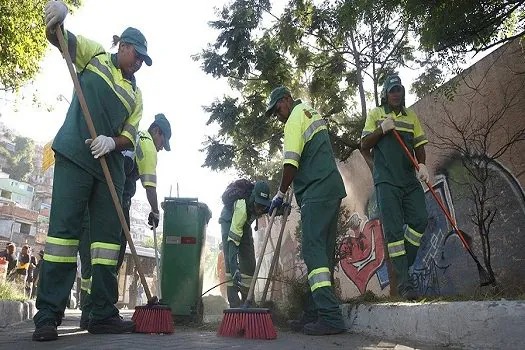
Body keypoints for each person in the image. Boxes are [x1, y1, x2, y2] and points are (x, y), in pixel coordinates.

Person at [34, 1, 151, 341]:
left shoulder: (136, 93)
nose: (140, 62)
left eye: (144, 59)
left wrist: (112, 143)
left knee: (105, 245)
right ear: (123, 47)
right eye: (137, 55)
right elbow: (62, 40)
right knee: (62, 236)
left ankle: (100, 312)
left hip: (110, 170)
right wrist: (57, 19)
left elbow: (130, 135)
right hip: (76, 154)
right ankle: (48, 315)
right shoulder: (96, 56)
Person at [265, 86, 347, 336]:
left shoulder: (293, 120)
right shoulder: (311, 113)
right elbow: (310, 155)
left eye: (277, 107)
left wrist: (279, 193)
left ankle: (330, 317)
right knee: (323, 255)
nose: (278, 115)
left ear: (287, 100)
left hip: (316, 190)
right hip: (331, 188)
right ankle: (314, 312)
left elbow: (291, 162)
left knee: (313, 252)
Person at [78, 115, 171, 329]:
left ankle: (89, 312)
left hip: (98, 195)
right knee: (113, 254)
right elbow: (150, 186)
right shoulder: (146, 143)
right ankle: (103, 313)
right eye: (162, 142)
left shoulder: (132, 136)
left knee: (94, 257)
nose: (160, 149)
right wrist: (156, 212)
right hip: (116, 198)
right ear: (156, 131)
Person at [360, 74, 429, 300]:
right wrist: (382, 129)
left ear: (403, 92)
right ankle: (405, 283)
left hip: (409, 180)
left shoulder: (411, 117)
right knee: (394, 232)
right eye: (392, 90)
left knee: (420, 219)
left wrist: (422, 165)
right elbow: (364, 144)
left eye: (399, 89)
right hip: (387, 181)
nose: (396, 94)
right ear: (385, 94)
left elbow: (419, 144)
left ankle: (403, 264)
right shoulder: (376, 114)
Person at [219, 180, 271, 308]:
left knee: (249, 262)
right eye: (258, 205)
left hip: (245, 224)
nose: (260, 210)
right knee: (230, 267)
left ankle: (248, 300)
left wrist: (281, 207)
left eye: (263, 206)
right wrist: (234, 267)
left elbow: (270, 208)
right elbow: (233, 241)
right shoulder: (242, 207)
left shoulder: (261, 204)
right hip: (229, 221)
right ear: (253, 199)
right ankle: (235, 304)